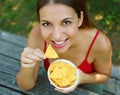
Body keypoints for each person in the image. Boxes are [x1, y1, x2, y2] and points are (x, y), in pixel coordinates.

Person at [16, 0, 112, 94]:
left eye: (66, 22)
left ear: (80, 19)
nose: (56, 36)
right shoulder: (38, 35)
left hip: (88, 84)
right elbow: (25, 86)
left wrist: (82, 77)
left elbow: (104, 75)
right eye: (47, 24)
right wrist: (27, 66)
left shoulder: (99, 43)